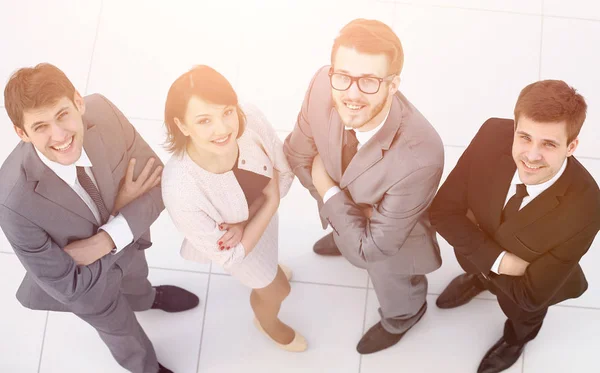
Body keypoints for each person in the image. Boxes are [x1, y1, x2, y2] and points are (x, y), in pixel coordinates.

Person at [0, 63, 200, 373]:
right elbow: (69, 284)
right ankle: (145, 367)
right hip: (92, 292)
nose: (59, 135)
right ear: (21, 133)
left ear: (78, 102)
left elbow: (162, 185)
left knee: (136, 283)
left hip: (130, 250)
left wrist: (106, 239)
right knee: (121, 331)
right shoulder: (12, 201)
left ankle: (147, 300)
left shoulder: (103, 112)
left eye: (62, 114)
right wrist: (123, 211)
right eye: (40, 127)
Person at [283, 19, 444, 354]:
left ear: (393, 84)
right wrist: (349, 221)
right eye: (343, 76)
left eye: (369, 81)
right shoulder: (321, 84)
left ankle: (404, 318)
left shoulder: (421, 156)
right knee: (351, 239)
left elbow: (374, 248)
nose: (351, 95)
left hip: (393, 246)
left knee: (394, 288)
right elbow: (297, 154)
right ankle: (344, 239)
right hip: (363, 225)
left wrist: (328, 190)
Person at [429, 80, 600, 373]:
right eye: (525, 138)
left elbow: (531, 295)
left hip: (522, 296)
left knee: (523, 318)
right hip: (480, 257)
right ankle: (479, 280)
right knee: (477, 266)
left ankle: (515, 340)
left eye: (548, 144)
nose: (531, 156)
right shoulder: (492, 134)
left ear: (571, 147)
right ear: (514, 130)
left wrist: (487, 259)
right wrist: (497, 262)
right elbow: (442, 212)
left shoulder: (588, 207)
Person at [161, 65, 307, 352]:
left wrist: (248, 220)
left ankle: (271, 271)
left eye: (227, 111)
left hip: (253, 226)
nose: (224, 128)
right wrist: (270, 203)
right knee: (278, 290)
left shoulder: (247, 118)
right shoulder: (181, 189)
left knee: (274, 270)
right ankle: (267, 323)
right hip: (243, 250)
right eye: (204, 120)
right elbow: (232, 255)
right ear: (182, 126)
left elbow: (284, 171)